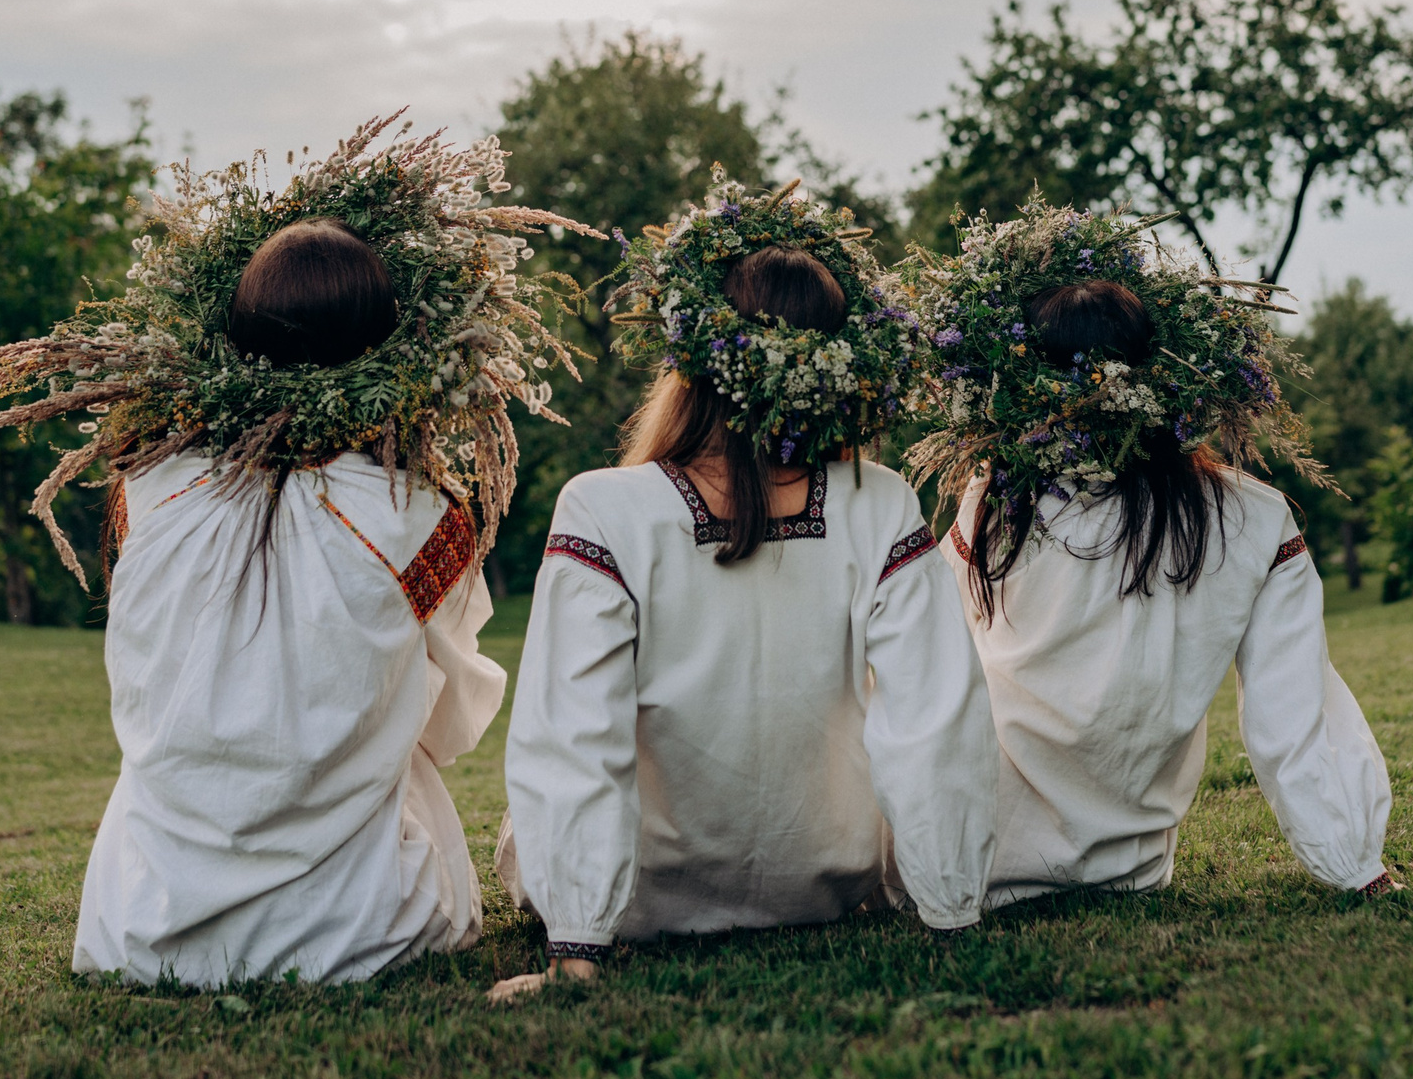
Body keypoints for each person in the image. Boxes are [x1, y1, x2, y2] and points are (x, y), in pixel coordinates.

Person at [491, 183, 997, 1000]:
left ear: (689, 357)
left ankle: (577, 920)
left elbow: (572, 734)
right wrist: (952, 911)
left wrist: (578, 943)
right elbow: (935, 720)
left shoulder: (603, 505)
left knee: (520, 830)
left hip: (643, 900)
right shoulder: (883, 501)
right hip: (826, 883)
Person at [907, 211, 1395, 909]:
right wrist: (1355, 863)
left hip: (977, 857)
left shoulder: (995, 499)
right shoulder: (1252, 516)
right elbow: (1297, 716)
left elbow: (934, 686)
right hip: (1124, 869)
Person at [70, 219, 508, 983]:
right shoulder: (416, 511)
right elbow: (453, 710)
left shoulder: (149, 486)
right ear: (384, 347)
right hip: (354, 927)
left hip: (141, 923)